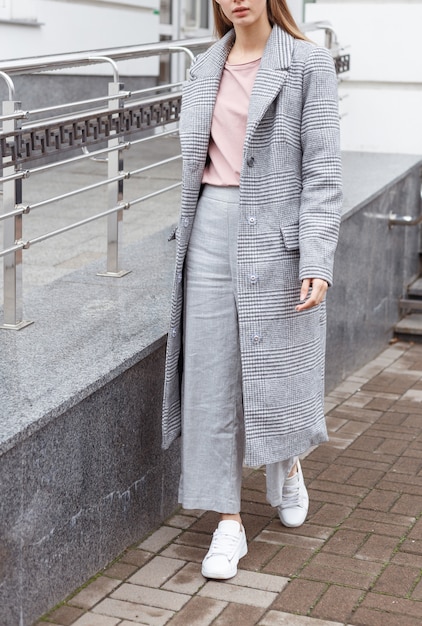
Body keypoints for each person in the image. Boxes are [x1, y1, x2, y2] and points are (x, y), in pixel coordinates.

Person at [162, 0, 342, 580]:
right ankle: (228, 522)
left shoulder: (309, 64)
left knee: (275, 367)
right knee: (213, 376)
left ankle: (287, 463)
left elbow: (322, 170)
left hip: (279, 233)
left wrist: (317, 255)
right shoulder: (203, 66)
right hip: (212, 226)